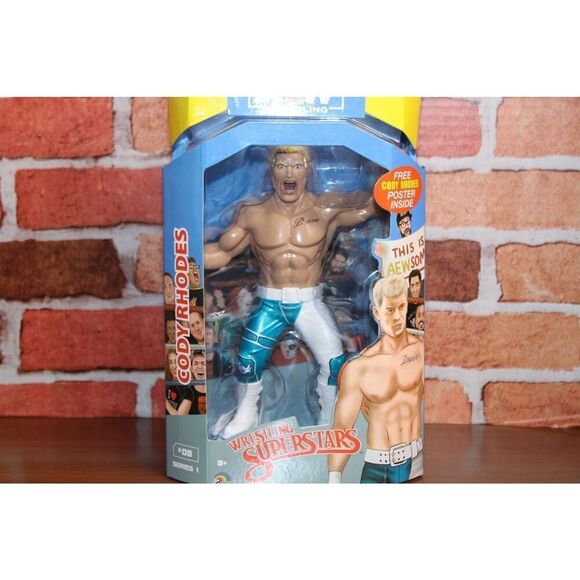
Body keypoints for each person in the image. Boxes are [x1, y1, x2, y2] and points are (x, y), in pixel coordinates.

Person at [205, 145, 382, 437]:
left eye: (296, 166)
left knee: (335, 363)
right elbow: (223, 252)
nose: (289, 173)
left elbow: (370, 208)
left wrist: (389, 181)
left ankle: (329, 419)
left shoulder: (325, 209)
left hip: (309, 302)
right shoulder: (253, 213)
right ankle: (245, 415)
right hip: (269, 303)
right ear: (271, 170)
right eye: (282, 165)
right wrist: (185, 252)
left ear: (307, 170)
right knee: (247, 361)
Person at [328, 275, 424, 484]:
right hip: (378, 467)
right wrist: (334, 479)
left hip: (417, 460)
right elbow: (342, 429)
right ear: (376, 313)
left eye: (402, 307)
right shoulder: (359, 368)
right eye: (390, 310)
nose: (397, 317)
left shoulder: (420, 351)